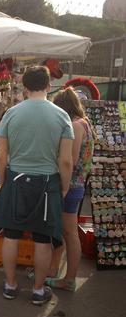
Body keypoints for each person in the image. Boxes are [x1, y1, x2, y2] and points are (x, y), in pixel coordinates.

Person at [0, 66, 74, 306]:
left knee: (11, 234)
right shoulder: (62, 116)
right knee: (42, 238)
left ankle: (10, 285)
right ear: (49, 85)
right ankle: (38, 291)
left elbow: (0, 156)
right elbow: (66, 160)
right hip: (48, 183)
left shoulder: (11, 114)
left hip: (16, 179)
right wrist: (65, 187)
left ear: (24, 87)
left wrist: (4, 180)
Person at [45, 87, 95, 291]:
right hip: (78, 184)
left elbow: (70, 161)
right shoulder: (86, 123)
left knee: (69, 232)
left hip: (70, 186)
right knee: (63, 231)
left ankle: (69, 279)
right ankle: (52, 269)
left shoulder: (75, 126)